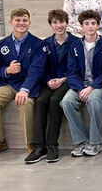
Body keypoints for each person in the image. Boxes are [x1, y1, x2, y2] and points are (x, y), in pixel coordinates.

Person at [0, 8, 45, 157]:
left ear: (29, 22)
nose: (21, 23)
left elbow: (36, 70)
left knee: (26, 103)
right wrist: (6, 70)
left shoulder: (38, 44)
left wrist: (25, 89)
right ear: (11, 22)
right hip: (7, 84)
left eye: (24, 20)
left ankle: (31, 143)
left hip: (28, 85)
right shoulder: (1, 44)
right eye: (18, 20)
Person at [24, 9, 75, 164]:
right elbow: (40, 67)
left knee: (54, 101)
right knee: (40, 101)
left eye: (62, 22)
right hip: (50, 82)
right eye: (55, 22)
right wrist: (47, 81)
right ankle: (40, 146)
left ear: (67, 23)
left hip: (67, 81)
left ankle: (52, 145)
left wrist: (63, 79)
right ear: (50, 24)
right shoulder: (44, 44)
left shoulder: (76, 42)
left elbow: (78, 68)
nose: (59, 25)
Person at [61, 10, 102, 157]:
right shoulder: (75, 46)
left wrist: (91, 87)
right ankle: (82, 141)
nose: (90, 26)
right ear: (81, 27)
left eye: (93, 23)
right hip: (79, 85)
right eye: (87, 24)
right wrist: (79, 88)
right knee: (67, 101)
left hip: (98, 85)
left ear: (98, 26)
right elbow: (72, 71)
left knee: (94, 100)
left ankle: (96, 142)